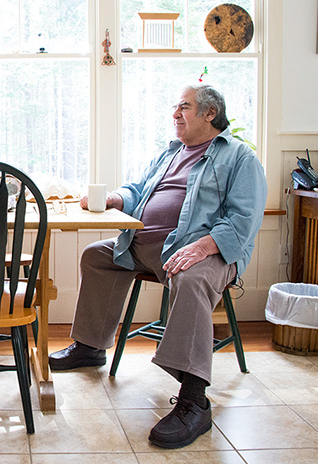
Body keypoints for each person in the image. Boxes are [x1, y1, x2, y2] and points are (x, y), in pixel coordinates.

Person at [49, 84, 267, 449]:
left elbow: (245, 218)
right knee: (96, 256)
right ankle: (90, 346)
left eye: (184, 107)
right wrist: (117, 197)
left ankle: (195, 401)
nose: (175, 114)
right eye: (175, 107)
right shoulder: (171, 153)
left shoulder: (239, 158)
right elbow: (140, 190)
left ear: (210, 114)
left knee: (193, 278)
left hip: (203, 252)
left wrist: (205, 244)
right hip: (147, 247)